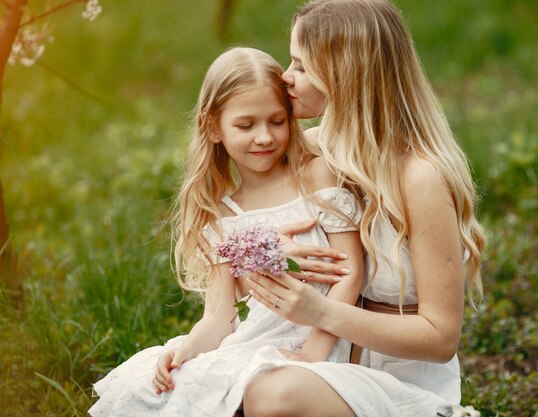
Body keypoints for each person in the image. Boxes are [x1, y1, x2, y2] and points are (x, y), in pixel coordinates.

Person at [88, 46, 364, 417]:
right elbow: (220, 317)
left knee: (254, 394)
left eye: (277, 121)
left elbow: (351, 274)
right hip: (250, 344)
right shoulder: (219, 216)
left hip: (321, 342)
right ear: (213, 127)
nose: (264, 137)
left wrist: (313, 351)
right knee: (167, 392)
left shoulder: (316, 178)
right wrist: (187, 349)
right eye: (246, 125)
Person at [242, 0, 487, 416]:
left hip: (402, 384)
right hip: (325, 358)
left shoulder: (419, 177)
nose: (286, 77)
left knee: (272, 396)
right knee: (200, 384)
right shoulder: (317, 148)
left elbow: (441, 337)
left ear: (345, 75)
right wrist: (271, 248)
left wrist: (321, 310)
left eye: (301, 66)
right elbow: (231, 226)